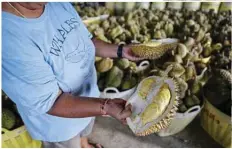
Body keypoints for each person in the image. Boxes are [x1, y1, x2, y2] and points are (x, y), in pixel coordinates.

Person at [2, 2, 142, 148]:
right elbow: (52, 102)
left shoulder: (57, 4)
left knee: (84, 131)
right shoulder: (8, 38)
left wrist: (120, 51)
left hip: (90, 99)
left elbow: (87, 41)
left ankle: (84, 143)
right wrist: (106, 106)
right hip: (59, 124)